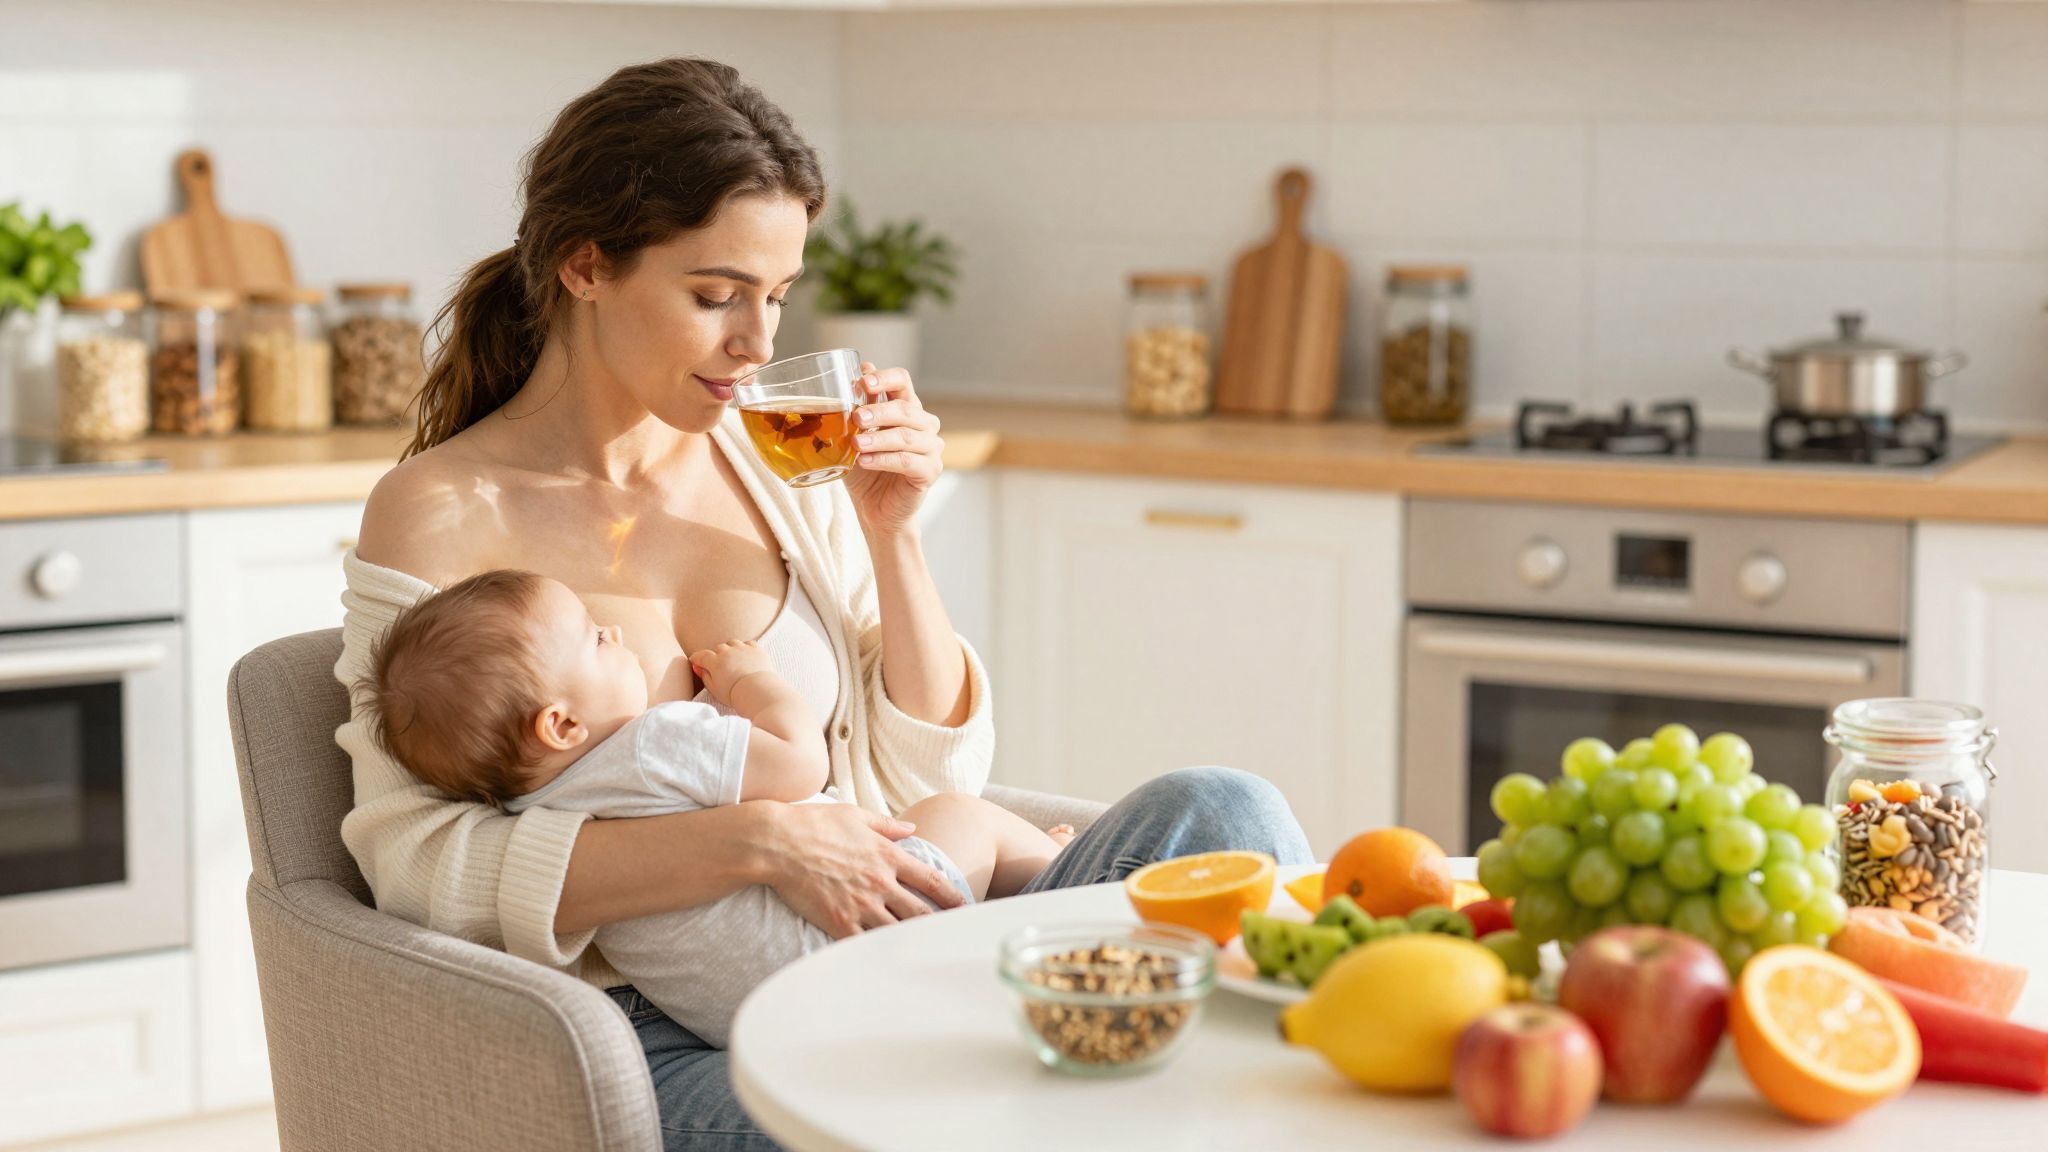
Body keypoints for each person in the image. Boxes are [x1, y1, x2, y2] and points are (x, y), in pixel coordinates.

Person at [335, 56, 1312, 1151]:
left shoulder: (773, 467)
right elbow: (412, 861)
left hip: (891, 935)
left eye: (777, 297)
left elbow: (927, 783)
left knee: (1225, 813)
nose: (758, 344)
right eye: (714, 297)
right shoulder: (439, 509)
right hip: (662, 1027)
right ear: (584, 265)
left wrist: (894, 533)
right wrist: (758, 842)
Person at [357, 568, 1072, 1047]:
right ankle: (1054, 871)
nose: (613, 632)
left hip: (756, 1027)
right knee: (961, 814)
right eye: (594, 638)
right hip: (853, 941)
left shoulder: (539, 814)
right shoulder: (655, 744)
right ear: (562, 726)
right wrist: (751, 685)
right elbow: (800, 764)